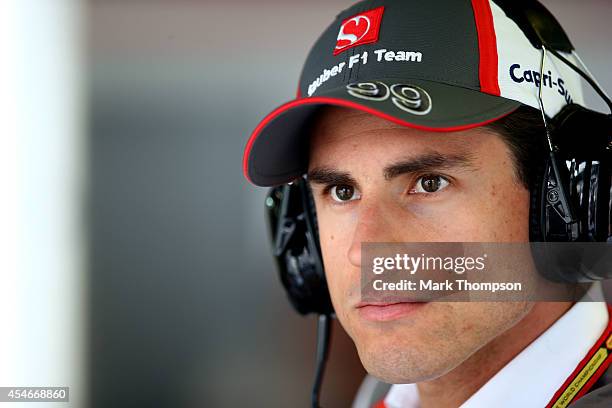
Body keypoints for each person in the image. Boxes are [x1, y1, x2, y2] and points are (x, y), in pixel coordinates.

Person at [242, 0, 612, 406]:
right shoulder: (379, 398)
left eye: (429, 183)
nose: (365, 253)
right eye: (342, 192)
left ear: (569, 207)